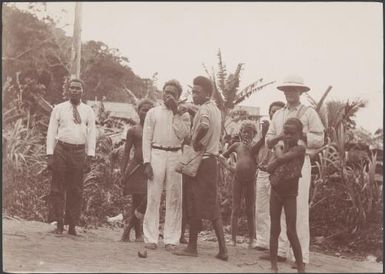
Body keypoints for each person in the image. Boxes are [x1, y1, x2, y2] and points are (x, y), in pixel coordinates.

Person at [265, 75, 324, 267]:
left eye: (294, 89)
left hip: (299, 162)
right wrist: (278, 149)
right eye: (287, 89)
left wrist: (301, 136)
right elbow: (270, 138)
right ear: (283, 92)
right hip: (279, 161)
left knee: (298, 208)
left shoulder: (308, 113)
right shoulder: (278, 114)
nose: (290, 93)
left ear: (301, 92)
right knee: (277, 206)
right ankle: (281, 251)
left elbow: (319, 138)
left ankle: (302, 257)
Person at [173, 76, 228, 261]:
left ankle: (192, 247)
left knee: (194, 202)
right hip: (211, 161)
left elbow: (203, 124)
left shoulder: (205, 109)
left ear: (207, 93)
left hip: (202, 161)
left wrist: (196, 141)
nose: (194, 94)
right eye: (193, 91)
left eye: (197, 92)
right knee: (212, 205)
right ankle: (223, 249)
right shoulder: (215, 109)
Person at [142, 80, 191, 251]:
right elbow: (146, 138)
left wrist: (176, 112)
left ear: (178, 96)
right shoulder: (153, 112)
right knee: (154, 196)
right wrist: (146, 162)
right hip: (156, 153)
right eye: (166, 91)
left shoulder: (183, 114)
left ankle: (171, 238)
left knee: (175, 197)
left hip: (175, 154)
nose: (168, 95)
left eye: (172, 93)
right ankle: (150, 237)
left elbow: (184, 135)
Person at [46, 78, 96, 235]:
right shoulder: (59, 109)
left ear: (82, 91)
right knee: (57, 187)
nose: (74, 90)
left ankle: (72, 225)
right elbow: (51, 131)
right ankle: (59, 223)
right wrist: (49, 154)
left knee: (76, 188)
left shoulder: (88, 111)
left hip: (79, 151)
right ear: (68, 90)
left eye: (78, 88)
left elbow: (92, 133)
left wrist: (90, 155)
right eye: (72, 88)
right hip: (61, 149)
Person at [260, 118, 306, 273]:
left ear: (299, 135)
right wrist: (276, 158)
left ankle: (300, 266)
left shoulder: (300, 149)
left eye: (292, 133)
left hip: (290, 194)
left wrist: (278, 150)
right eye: (285, 132)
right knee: (275, 229)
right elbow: (270, 167)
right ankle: (274, 266)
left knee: (291, 230)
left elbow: (280, 159)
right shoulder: (282, 147)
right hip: (277, 192)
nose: (287, 136)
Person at [255, 102, 289, 262]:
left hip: (275, 174)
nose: (273, 113)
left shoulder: (284, 133)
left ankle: (280, 249)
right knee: (261, 208)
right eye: (271, 111)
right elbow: (252, 150)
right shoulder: (267, 132)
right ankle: (263, 241)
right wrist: (263, 134)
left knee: (277, 211)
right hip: (261, 172)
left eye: (276, 111)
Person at [219, 121, 258, 249]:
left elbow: (259, 161)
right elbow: (221, 156)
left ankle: (252, 239)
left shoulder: (256, 147)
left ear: (254, 134)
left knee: (250, 210)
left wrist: (251, 148)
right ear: (240, 133)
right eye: (244, 131)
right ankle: (233, 239)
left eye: (249, 132)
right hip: (238, 179)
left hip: (251, 180)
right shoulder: (236, 145)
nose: (246, 134)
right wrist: (229, 167)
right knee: (235, 209)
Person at [121, 98, 154, 242]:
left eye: (149, 110)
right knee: (137, 201)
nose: (146, 113)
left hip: (150, 169)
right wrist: (123, 172)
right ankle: (137, 233)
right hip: (135, 168)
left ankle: (128, 229)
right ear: (138, 111)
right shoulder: (133, 130)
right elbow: (126, 152)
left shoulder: (155, 130)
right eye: (143, 109)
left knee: (145, 201)